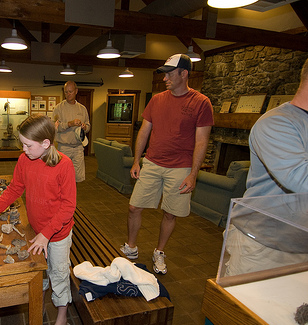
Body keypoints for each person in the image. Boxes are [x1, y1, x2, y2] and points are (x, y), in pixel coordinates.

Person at [0, 115, 76, 325]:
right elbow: (13, 189)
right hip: (35, 228)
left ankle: (62, 317)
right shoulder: (24, 160)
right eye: (22, 144)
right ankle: (37, 303)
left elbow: (68, 207)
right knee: (38, 271)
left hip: (57, 234)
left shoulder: (64, 165)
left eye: (28, 145)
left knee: (58, 274)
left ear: (46, 143)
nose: (24, 149)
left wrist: (47, 234)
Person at [120, 54, 214, 274]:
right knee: (134, 207)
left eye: (170, 74)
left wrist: (193, 174)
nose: (165, 79)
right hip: (152, 162)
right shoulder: (157, 99)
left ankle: (159, 252)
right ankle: (131, 247)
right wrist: (137, 160)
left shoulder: (201, 102)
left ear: (184, 74)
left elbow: (202, 141)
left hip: (180, 167)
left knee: (170, 213)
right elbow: (144, 131)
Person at [224, 57, 308, 277]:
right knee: (236, 309)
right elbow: (300, 178)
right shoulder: (277, 122)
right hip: (262, 244)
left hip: (301, 243)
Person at [53, 81, 91, 182]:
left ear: (76, 91)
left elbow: (88, 126)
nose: (68, 94)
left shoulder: (82, 109)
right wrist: (70, 124)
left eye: (70, 91)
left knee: (77, 178)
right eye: (66, 92)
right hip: (64, 148)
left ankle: (71, 197)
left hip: (78, 148)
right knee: (62, 177)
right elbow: (55, 127)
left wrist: (84, 127)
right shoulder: (58, 108)